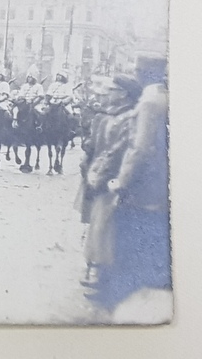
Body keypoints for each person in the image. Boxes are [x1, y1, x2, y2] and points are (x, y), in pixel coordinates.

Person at [95, 53, 170, 309]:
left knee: (128, 241)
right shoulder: (162, 94)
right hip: (160, 183)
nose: (134, 71)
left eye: (137, 68)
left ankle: (122, 298)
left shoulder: (149, 101)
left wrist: (121, 181)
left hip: (143, 185)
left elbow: (139, 148)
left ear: (145, 72)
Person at [76, 73, 142, 293]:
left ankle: (102, 270)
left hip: (111, 176)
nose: (106, 95)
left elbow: (119, 151)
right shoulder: (106, 115)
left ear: (123, 94)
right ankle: (93, 263)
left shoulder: (130, 117)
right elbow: (96, 144)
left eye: (111, 91)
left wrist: (100, 174)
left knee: (105, 222)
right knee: (95, 220)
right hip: (96, 174)